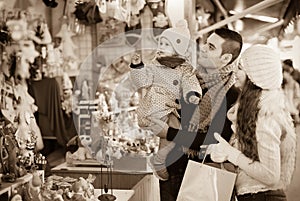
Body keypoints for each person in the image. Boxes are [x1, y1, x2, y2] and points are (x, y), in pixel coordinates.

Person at [157, 28, 243, 200]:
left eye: (211, 47)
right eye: (205, 43)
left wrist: (169, 133)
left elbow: (215, 140)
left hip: (205, 176)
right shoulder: (187, 81)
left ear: (225, 59)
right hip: (172, 171)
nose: (202, 48)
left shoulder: (232, 95)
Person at [210, 45, 296, 201]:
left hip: (263, 197)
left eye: (241, 67)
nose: (235, 71)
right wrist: (226, 153)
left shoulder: (266, 115)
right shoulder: (252, 110)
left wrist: (231, 153)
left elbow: (270, 175)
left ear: (255, 77)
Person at [129, 20, 202, 181]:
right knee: (174, 133)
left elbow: (190, 83)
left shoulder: (185, 69)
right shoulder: (154, 66)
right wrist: (137, 66)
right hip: (154, 107)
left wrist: (192, 94)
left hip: (169, 109)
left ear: (178, 49)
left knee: (169, 135)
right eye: (160, 42)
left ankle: (160, 160)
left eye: (166, 44)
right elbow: (142, 82)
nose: (161, 46)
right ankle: (160, 161)